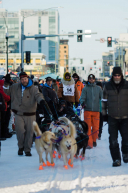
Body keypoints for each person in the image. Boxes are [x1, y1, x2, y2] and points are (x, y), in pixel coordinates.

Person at [4, 72, 52, 156]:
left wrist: (41, 101)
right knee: (20, 131)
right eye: (22, 79)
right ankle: (21, 147)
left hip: (30, 114)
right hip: (18, 113)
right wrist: (6, 82)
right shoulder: (15, 87)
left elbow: (38, 95)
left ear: (28, 79)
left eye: (25, 79)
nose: (24, 81)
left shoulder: (33, 88)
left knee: (29, 133)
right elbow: (6, 91)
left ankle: (27, 149)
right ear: (20, 80)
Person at [102, 67, 128, 167]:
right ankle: (116, 159)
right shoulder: (107, 86)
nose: (117, 77)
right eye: (115, 75)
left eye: (118, 75)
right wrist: (104, 115)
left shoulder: (127, 85)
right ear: (112, 76)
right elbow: (104, 101)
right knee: (113, 140)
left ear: (121, 75)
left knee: (126, 139)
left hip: (125, 117)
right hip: (112, 117)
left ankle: (125, 154)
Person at [80, 74, 103, 148]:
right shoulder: (85, 88)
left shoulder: (98, 89)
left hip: (96, 110)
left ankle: (94, 140)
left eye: (92, 79)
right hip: (87, 110)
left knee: (96, 128)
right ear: (88, 79)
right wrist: (82, 102)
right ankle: (89, 143)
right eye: (90, 79)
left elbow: (102, 97)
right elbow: (82, 98)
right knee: (88, 127)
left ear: (94, 79)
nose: (91, 80)